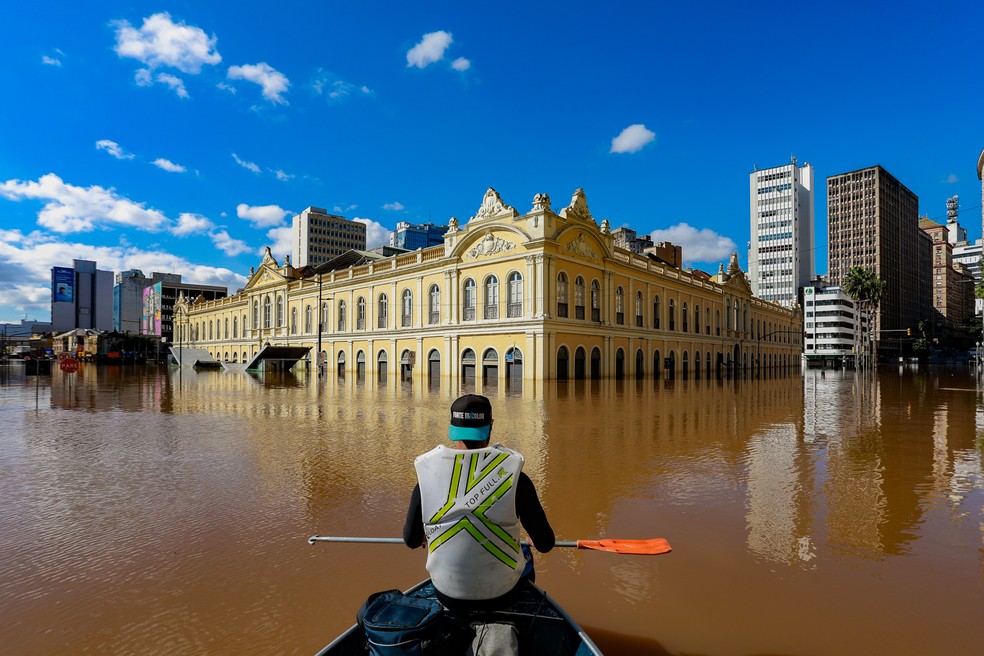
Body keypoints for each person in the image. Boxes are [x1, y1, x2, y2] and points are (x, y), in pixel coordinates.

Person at [403, 394, 554, 610]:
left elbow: (410, 540)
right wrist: (532, 539)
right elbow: (546, 543)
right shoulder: (515, 477)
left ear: (452, 429)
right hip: (503, 595)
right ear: (490, 427)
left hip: (446, 594)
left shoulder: (426, 476)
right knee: (525, 557)